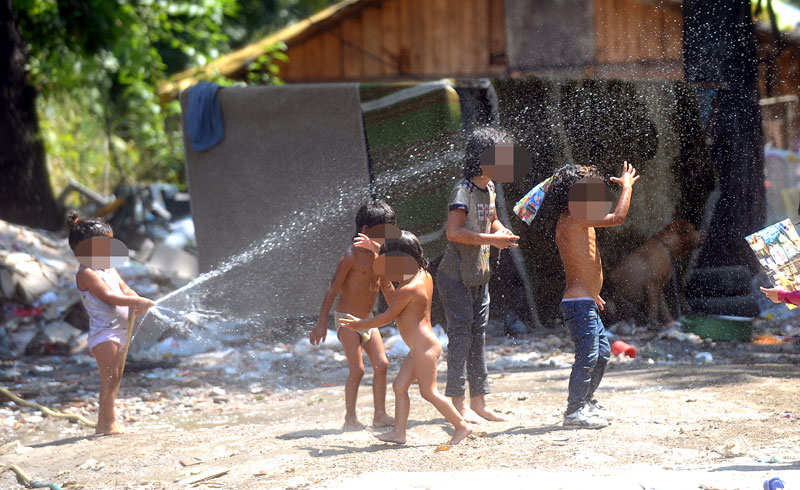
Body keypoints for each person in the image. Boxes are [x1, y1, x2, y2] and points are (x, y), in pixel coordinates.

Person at [340, 231, 472, 445]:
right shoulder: (423, 274)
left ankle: (461, 426)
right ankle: (399, 433)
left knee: (429, 392)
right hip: (420, 346)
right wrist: (375, 247)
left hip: (424, 348)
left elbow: (387, 317)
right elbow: (398, 302)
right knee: (400, 386)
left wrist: (359, 325)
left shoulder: (408, 288)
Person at [547, 161, 639, 428]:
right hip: (578, 304)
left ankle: (587, 402)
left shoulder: (580, 220)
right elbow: (618, 218)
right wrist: (627, 187)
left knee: (601, 353)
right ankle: (574, 411)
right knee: (588, 355)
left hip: (586, 300)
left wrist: (593, 291)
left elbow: (581, 263)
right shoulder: (573, 219)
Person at [437, 127, 520, 423]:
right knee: (461, 337)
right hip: (455, 276)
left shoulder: (490, 189)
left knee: (478, 336)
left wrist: (502, 233)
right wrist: (492, 240)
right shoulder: (463, 190)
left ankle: (479, 402)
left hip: (478, 275)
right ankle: (458, 405)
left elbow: (493, 221)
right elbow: (454, 232)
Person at [310, 200, 396, 429]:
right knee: (357, 368)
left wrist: (399, 311)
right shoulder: (351, 256)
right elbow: (332, 289)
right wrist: (321, 324)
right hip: (347, 320)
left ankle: (379, 415)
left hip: (368, 320)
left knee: (382, 364)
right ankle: (350, 418)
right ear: (365, 231)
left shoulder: (380, 255)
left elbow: (387, 286)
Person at [68, 212, 154, 435]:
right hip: (104, 334)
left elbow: (124, 290)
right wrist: (136, 301)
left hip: (120, 330)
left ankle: (104, 424)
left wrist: (135, 297)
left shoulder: (109, 269)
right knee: (109, 379)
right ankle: (107, 424)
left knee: (115, 378)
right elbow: (108, 296)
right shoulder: (86, 273)